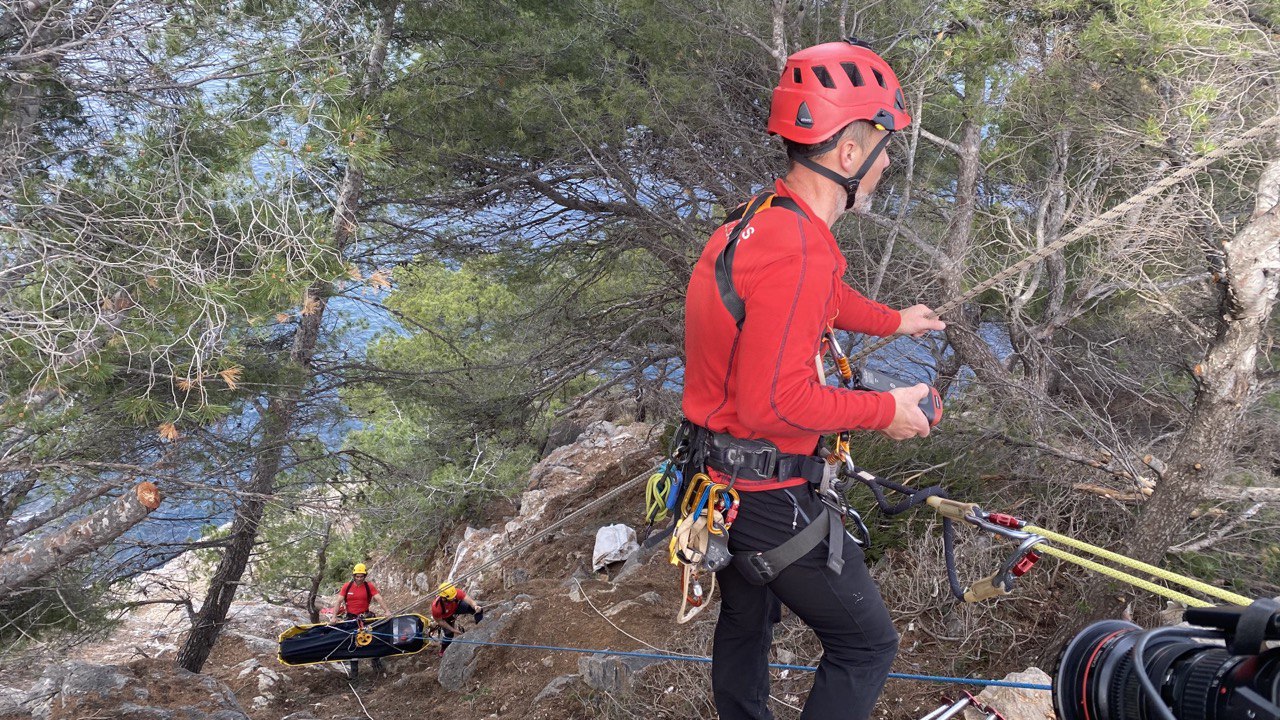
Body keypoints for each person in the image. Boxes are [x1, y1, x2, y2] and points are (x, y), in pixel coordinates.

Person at [681, 39, 947, 720]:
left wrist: (893, 321)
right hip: (767, 494)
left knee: (747, 622)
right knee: (866, 646)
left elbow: (822, 299)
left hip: (718, 481)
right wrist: (884, 409)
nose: (888, 162)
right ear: (849, 155)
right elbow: (776, 402)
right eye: (883, 146)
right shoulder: (797, 249)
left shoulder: (766, 218)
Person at [334, 563, 390, 680]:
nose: (359, 578)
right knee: (352, 643)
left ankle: (376, 665)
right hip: (350, 618)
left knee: (373, 639)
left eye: (361, 576)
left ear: (365, 576)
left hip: (365, 617)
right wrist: (334, 617)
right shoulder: (347, 586)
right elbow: (338, 601)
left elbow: (378, 598)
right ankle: (354, 673)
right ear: (354, 575)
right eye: (357, 576)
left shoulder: (369, 586)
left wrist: (387, 611)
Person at [430, 582, 484, 656]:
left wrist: (475, 606)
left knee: (478, 610)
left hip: (456, 607)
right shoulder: (436, 608)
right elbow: (440, 621)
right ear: (443, 598)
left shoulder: (454, 593)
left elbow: (469, 600)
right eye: (450, 599)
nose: (453, 599)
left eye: (454, 597)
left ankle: (481, 628)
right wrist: (453, 630)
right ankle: (443, 649)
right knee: (448, 635)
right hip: (446, 617)